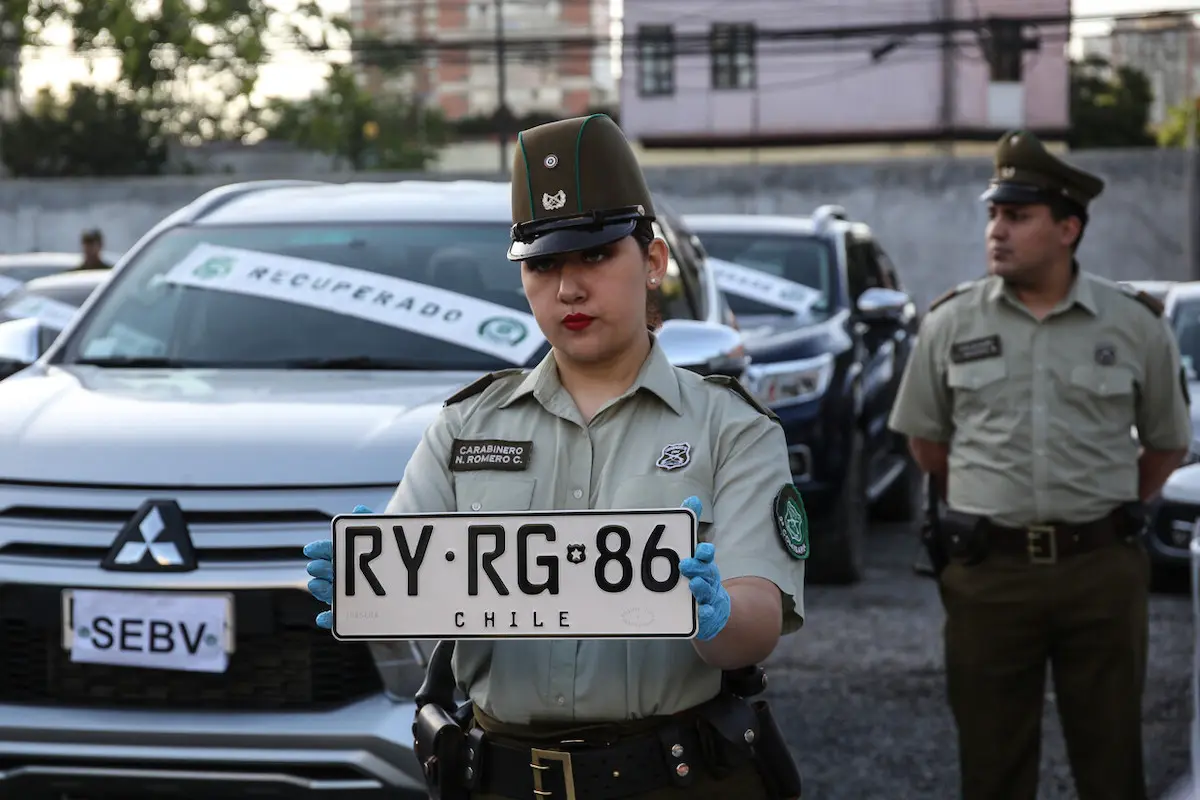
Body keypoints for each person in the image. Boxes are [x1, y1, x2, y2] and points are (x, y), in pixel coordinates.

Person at [302, 113, 807, 800]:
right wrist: (369, 589)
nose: (569, 288)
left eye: (596, 256)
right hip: (500, 776)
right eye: (542, 265)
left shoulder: (731, 427)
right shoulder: (464, 424)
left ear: (652, 262)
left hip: (673, 778)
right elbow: (418, 602)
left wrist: (713, 619)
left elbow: (756, 625)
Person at [888, 129, 1192, 800]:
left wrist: (1107, 509)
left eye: (1017, 216)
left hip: (1100, 574)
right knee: (992, 768)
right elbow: (927, 446)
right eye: (994, 213)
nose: (996, 230)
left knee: (1112, 763)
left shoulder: (1134, 324)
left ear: (1067, 228)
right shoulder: (949, 323)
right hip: (989, 578)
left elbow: (1168, 443)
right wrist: (994, 501)